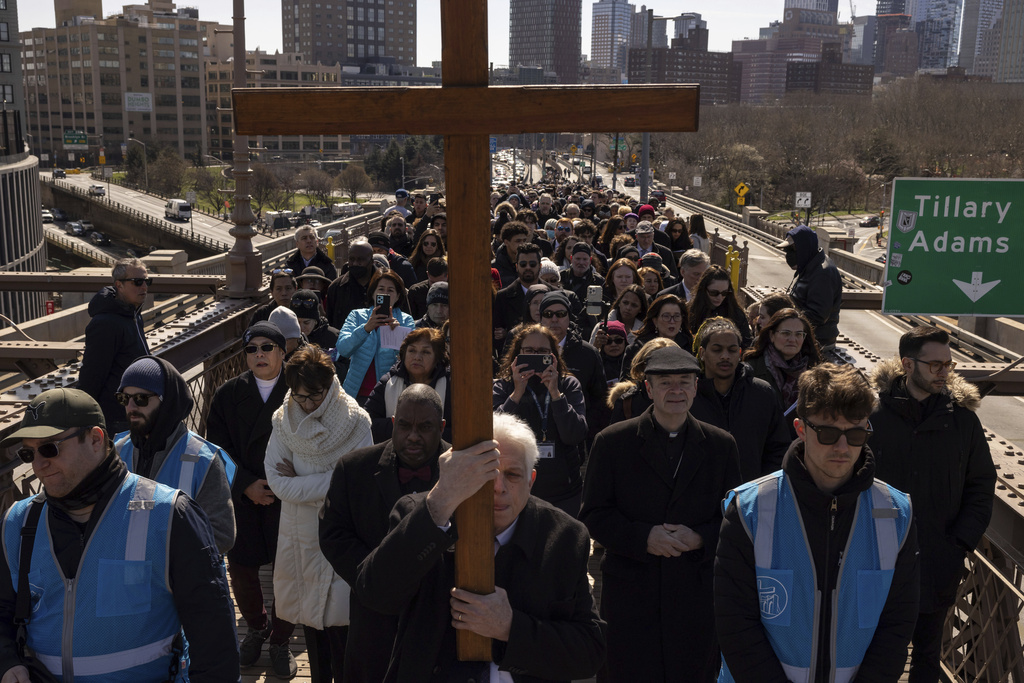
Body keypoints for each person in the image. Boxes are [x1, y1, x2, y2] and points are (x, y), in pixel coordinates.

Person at [0, 388, 240, 682]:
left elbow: (214, 639)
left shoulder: (170, 515)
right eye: (28, 453)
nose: (38, 464)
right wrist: (7, 661)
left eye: (50, 448)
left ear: (96, 439)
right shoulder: (17, 522)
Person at [354, 413, 606, 683]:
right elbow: (374, 594)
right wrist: (441, 500)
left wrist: (510, 627)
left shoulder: (565, 537)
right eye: (487, 473)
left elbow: (588, 653)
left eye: (512, 475)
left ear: (531, 480)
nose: (498, 487)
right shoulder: (421, 514)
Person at [715, 363, 920, 682]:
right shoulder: (749, 508)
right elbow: (735, 622)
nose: (842, 448)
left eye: (855, 434)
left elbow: (897, 623)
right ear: (801, 428)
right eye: (827, 433)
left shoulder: (896, 512)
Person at [581, 345, 741, 682]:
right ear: (648, 389)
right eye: (665, 382)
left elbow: (734, 520)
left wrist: (699, 537)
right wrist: (644, 537)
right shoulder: (612, 442)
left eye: (685, 381)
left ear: (697, 388)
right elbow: (594, 515)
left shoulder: (721, 445)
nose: (677, 391)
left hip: (693, 596)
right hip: (631, 594)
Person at [868, 326, 995, 682]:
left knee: (926, 657)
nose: (944, 372)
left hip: (937, 559)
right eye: (935, 364)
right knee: (873, 655)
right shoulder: (873, 418)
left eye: (948, 365)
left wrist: (959, 542)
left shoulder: (963, 422)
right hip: (875, 559)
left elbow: (981, 485)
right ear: (908, 364)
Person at [319, 385, 448, 683]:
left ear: (441, 427)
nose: (413, 435)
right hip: (374, 620)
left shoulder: (460, 472)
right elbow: (333, 534)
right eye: (404, 425)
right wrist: (376, 580)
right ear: (393, 423)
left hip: (440, 621)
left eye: (425, 427)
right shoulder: (353, 469)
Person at [265, 347, 372, 683]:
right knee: (312, 627)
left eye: (314, 396)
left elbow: (357, 481)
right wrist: (327, 486)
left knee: (344, 633)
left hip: (343, 534)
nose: (307, 405)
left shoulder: (356, 421)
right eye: (299, 397)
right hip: (301, 536)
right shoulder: (284, 420)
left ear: (331, 386)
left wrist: (302, 484)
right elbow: (277, 482)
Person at [205, 322, 297, 677]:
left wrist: (282, 483)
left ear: (281, 351)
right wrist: (245, 484)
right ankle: (257, 628)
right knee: (242, 569)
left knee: (286, 572)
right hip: (243, 497)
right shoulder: (228, 394)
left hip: (288, 494)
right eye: (251, 349)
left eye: (267, 347)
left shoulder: (299, 388)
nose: (259, 354)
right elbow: (217, 448)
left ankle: (280, 639)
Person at [113, 356, 237, 554]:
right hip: (126, 583)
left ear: (167, 402)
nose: (131, 407)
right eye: (124, 398)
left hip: (181, 584)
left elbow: (221, 535)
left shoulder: (204, 460)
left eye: (140, 399)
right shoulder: (115, 452)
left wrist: (152, 544)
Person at [494, 324, 589, 517]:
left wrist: (555, 394)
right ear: (517, 354)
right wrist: (516, 393)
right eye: (529, 351)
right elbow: (493, 432)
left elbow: (575, 434)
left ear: (553, 355)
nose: (536, 356)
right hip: (515, 488)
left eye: (543, 352)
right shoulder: (502, 386)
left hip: (564, 490)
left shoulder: (568, 384)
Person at [688, 318, 790, 483]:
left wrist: (762, 486)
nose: (725, 356)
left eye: (732, 350)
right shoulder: (688, 397)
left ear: (740, 354)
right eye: (717, 349)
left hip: (750, 496)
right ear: (702, 353)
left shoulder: (762, 393)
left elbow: (778, 448)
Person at [78, 257, 151, 435]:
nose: (144, 287)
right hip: (117, 415)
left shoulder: (132, 314)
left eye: (147, 281)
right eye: (138, 282)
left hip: (136, 408)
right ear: (119, 285)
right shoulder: (106, 322)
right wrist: (82, 415)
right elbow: (93, 373)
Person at [335, 270, 415, 403]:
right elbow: (343, 349)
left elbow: (409, 360)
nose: (385, 294)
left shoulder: (406, 321)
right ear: (373, 293)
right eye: (381, 289)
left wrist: (396, 333)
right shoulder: (357, 316)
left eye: (390, 290)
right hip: (356, 393)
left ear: (397, 296)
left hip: (389, 394)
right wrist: (366, 328)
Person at [364, 327, 452, 444]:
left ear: (438, 358)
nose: (417, 357)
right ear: (403, 354)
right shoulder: (388, 383)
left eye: (425, 352)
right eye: (412, 351)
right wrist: (403, 427)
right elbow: (367, 423)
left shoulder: (451, 384)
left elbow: (461, 430)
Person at [743, 308, 822, 418]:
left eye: (798, 334)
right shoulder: (752, 369)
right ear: (772, 335)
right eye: (786, 333)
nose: (792, 339)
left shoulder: (813, 370)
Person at [777, 225, 842, 348]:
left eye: (792, 250)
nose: (788, 255)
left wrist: (783, 322)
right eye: (786, 251)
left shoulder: (823, 273)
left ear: (804, 248)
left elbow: (817, 315)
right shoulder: (811, 264)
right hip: (803, 335)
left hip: (817, 340)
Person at [619, 294, 693, 379]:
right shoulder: (636, 349)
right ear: (655, 321)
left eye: (676, 316)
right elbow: (626, 385)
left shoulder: (690, 346)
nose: (672, 321)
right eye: (666, 316)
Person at [687, 266, 753, 348]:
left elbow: (746, 343)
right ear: (704, 290)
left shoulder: (736, 313)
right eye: (714, 293)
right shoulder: (691, 310)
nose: (719, 297)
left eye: (724, 293)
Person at [324, 239, 380, 329]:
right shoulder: (336, 288)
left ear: (371, 260)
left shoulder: (387, 285)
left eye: (361, 260)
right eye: (352, 259)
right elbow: (330, 325)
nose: (355, 263)